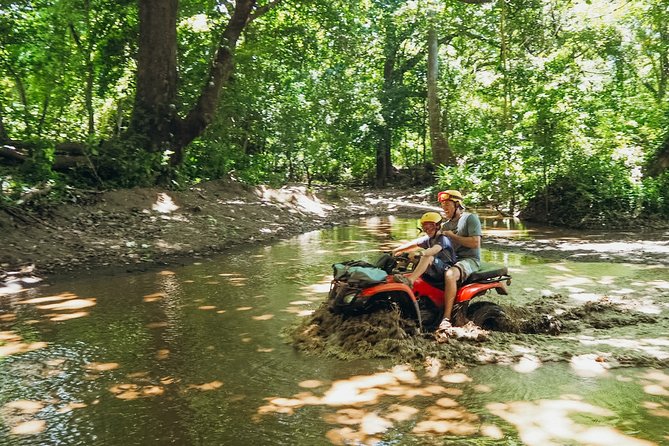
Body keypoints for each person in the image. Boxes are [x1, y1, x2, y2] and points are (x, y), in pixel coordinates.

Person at [437, 190, 482, 328]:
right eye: (442, 204)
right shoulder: (445, 225)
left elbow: (475, 243)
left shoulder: (470, 218)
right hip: (451, 260)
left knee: (450, 274)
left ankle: (446, 317)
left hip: (470, 260)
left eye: (447, 204)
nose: (444, 207)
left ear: (457, 204)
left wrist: (453, 236)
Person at [391, 212, 456, 286]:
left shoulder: (443, 239)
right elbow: (413, 243)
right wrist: (396, 251)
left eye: (429, 227)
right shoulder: (429, 239)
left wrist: (420, 253)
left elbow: (435, 249)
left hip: (446, 269)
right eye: (424, 228)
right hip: (435, 267)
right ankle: (396, 273)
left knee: (427, 257)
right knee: (406, 255)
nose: (427, 230)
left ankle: (410, 281)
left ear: (437, 226)